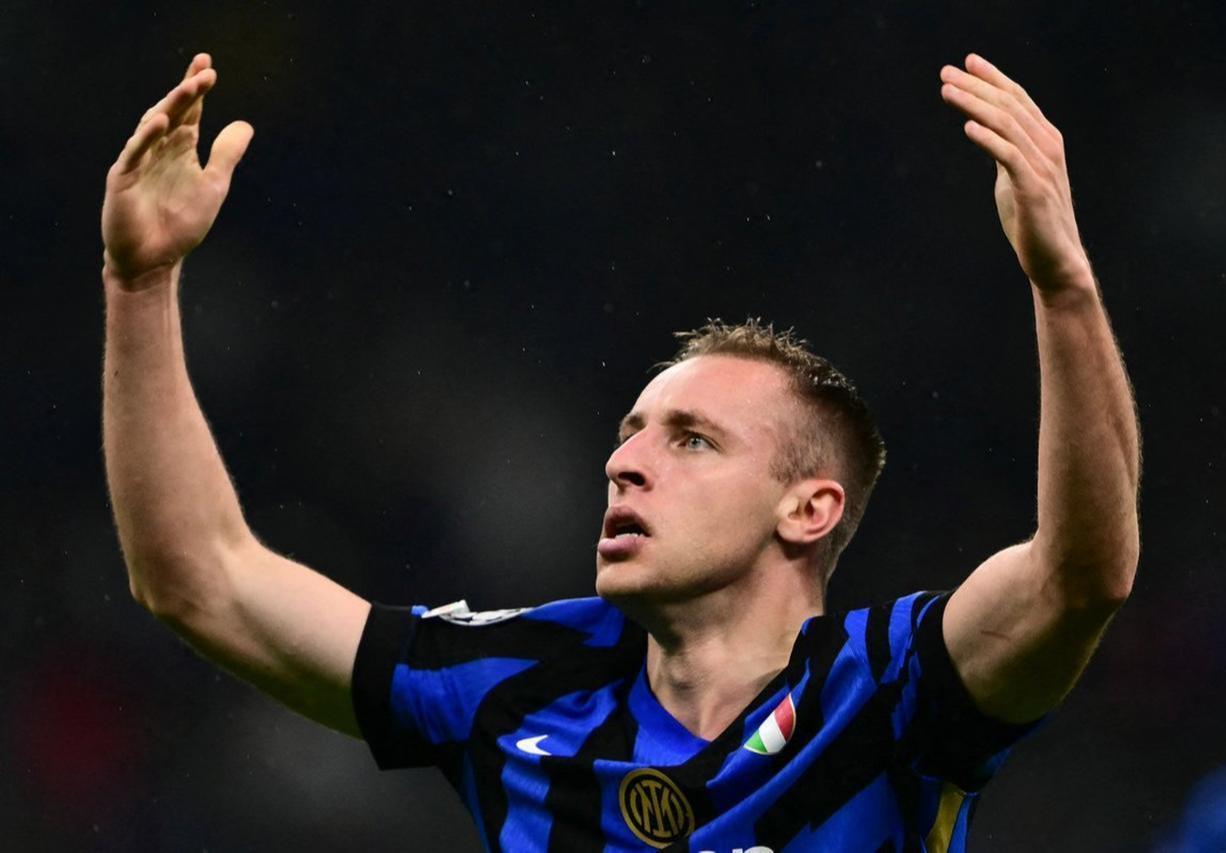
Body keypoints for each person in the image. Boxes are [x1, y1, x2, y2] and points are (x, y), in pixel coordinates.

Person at [101, 51, 1140, 852]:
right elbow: (199, 578)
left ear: (807, 509)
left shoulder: (889, 685)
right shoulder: (519, 681)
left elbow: (1080, 574)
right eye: (629, 433)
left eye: (691, 439)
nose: (626, 462)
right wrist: (140, 287)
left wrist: (1062, 287)